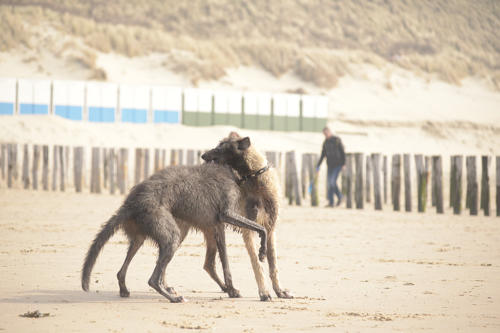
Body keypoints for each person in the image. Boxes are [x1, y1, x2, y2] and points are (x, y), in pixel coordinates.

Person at [316, 126, 345, 207]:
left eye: (326, 133)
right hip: (330, 165)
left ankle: (339, 197)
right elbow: (323, 155)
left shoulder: (336, 140)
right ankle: (331, 202)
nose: (325, 135)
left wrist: (343, 163)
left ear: (329, 132)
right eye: (324, 134)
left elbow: (342, 151)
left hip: (338, 165)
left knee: (332, 182)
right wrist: (318, 166)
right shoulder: (325, 143)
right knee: (330, 184)